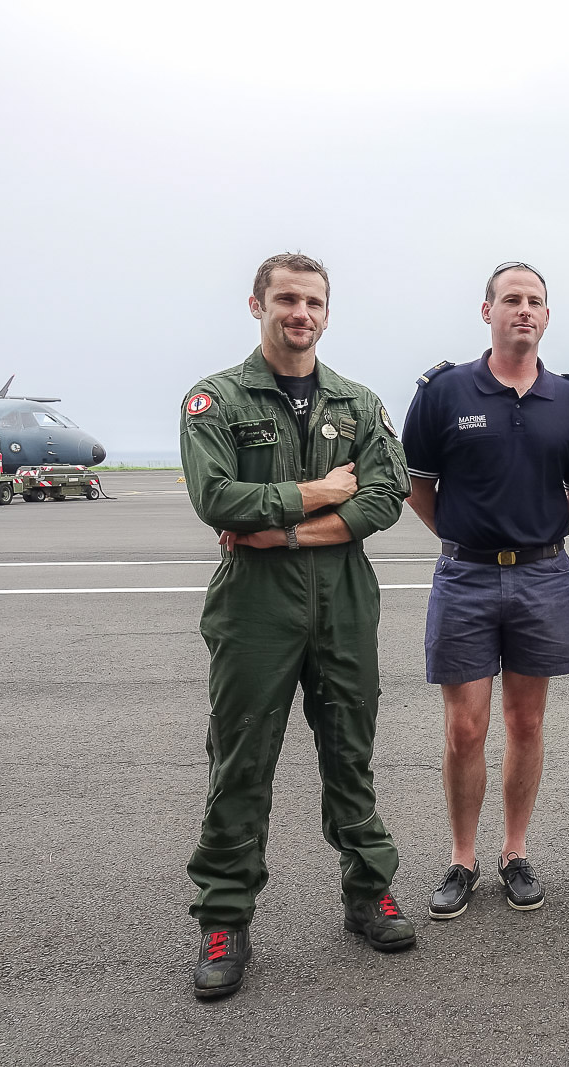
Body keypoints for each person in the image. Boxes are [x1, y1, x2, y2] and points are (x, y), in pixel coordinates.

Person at [181, 252, 416, 1001]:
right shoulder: (217, 400)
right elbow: (217, 498)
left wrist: (284, 529)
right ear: (258, 305)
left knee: (350, 750)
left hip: (342, 599)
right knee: (241, 760)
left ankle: (368, 890)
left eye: (313, 302)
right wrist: (316, 490)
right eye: (286, 299)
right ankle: (225, 917)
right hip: (254, 607)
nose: (300, 313)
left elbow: (385, 494)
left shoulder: (357, 401)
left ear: (326, 312)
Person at [401, 261, 569, 916]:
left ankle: (515, 851)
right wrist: (465, 535)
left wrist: (535, 536)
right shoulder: (444, 392)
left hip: (542, 575)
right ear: (487, 311)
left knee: (526, 721)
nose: (524, 310)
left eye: (535, 300)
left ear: (547, 316)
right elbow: (418, 486)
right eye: (512, 299)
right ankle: (463, 857)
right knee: (465, 728)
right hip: (467, 576)